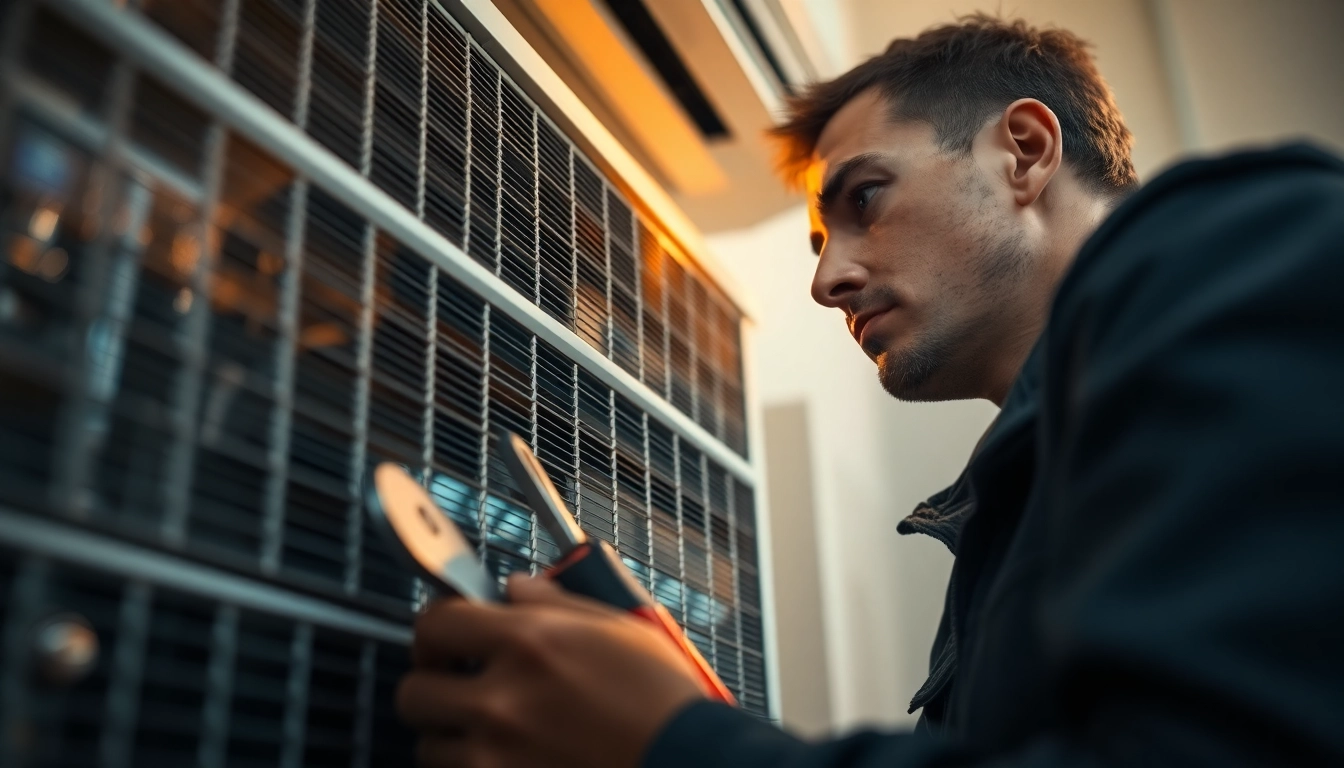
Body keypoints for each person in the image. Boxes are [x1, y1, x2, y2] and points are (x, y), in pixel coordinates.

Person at [395, 14, 1344, 767]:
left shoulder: (1241, 244)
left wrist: (674, 743)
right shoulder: (1009, 513)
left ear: (1023, 149)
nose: (826, 281)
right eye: (816, 245)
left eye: (864, 201)